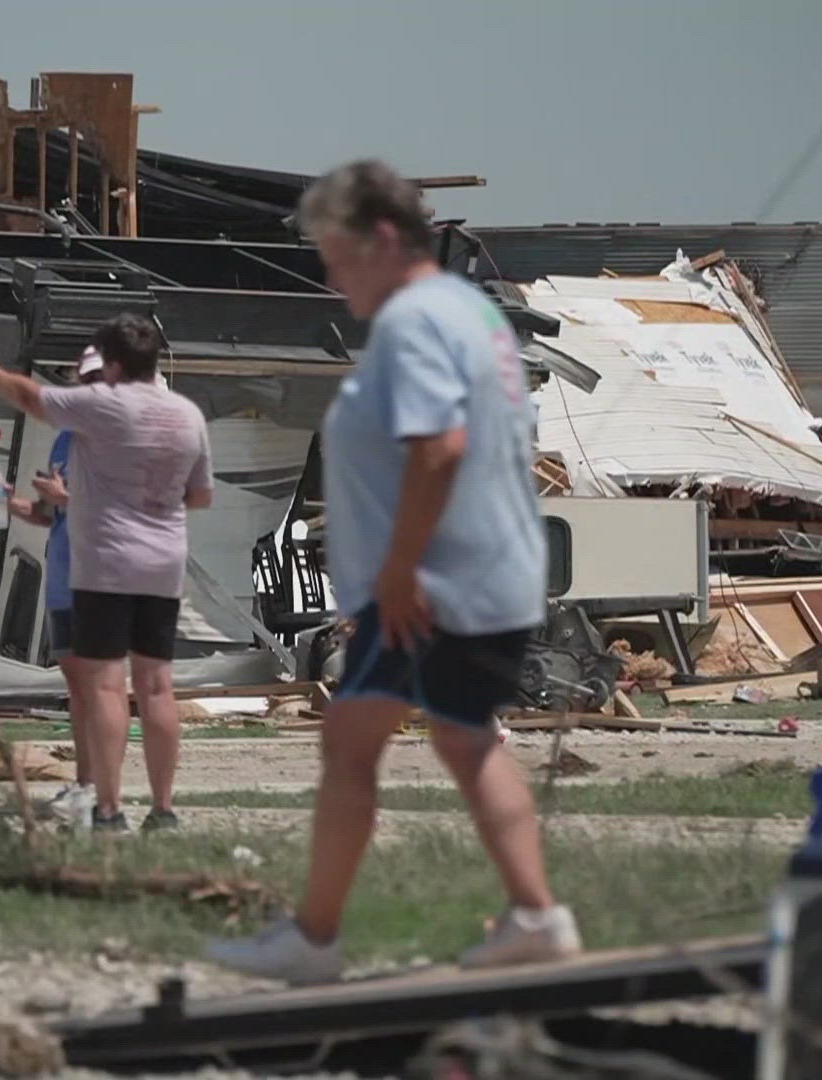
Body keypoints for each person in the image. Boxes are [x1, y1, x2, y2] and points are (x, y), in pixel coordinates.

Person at [206, 160, 579, 984]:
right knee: (457, 738)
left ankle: (316, 938)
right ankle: (532, 916)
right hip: (483, 571)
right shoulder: (470, 312)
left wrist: (402, 570)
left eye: (336, 257)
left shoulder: (415, 322)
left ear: (380, 239)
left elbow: (439, 449)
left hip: (432, 584)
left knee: (361, 741)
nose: (332, 279)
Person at [0, 314, 213, 833]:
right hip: (163, 563)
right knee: (157, 688)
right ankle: (164, 810)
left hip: (106, 563)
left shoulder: (104, 407)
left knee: (103, 688)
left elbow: (33, 398)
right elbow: (200, 497)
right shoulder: (187, 415)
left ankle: (108, 808)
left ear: (115, 365)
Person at [7, 346, 106, 823]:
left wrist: (68, 496)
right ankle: (84, 786)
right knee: (77, 688)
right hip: (64, 573)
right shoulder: (66, 438)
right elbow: (52, 514)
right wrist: (16, 503)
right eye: (83, 379)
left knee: (100, 686)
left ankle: (104, 794)